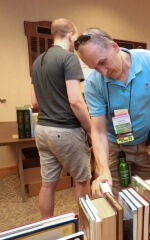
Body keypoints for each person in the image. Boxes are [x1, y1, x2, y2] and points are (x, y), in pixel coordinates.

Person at [75, 28, 150, 197]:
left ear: (114, 47)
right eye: (94, 67)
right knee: (116, 200)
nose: (102, 72)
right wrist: (103, 169)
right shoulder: (93, 82)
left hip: (146, 144)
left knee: (145, 197)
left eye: (103, 62)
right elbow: (98, 130)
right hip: (114, 146)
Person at [30, 18, 92, 219]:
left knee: (48, 184)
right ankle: (85, 227)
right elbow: (76, 101)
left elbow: (34, 104)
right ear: (71, 35)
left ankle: (47, 228)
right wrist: (91, 129)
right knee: (83, 181)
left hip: (42, 130)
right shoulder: (69, 58)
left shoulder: (38, 61)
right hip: (65, 131)